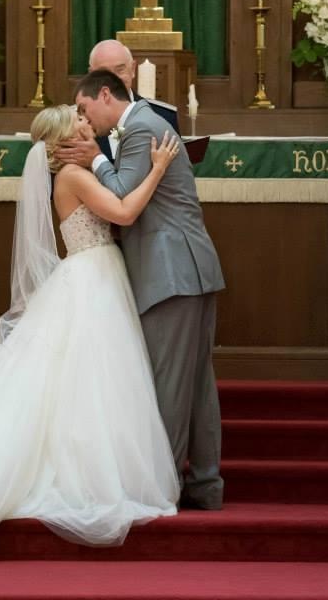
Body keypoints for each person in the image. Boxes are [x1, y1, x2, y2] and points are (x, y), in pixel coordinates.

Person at [0, 105, 181, 564]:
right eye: (78, 119)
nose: (86, 121)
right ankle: (88, 477)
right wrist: (158, 169)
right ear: (65, 139)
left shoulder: (76, 173)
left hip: (98, 274)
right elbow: (124, 213)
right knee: (91, 381)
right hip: (92, 279)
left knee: (94, 382)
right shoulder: (73, 176)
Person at [72, 70, 225, 510]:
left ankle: (163, 488)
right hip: (188, 269)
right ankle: (206, 485)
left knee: (170, 384)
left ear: (105, 94)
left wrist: (95, 160)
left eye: (84, 108)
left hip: (170, 272)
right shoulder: (146, 124)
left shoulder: (140, 127)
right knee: (197, 385)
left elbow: (123, 198)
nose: (85, 119)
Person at [89, 39, 179, 160]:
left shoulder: (163, 116)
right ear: (91, 75)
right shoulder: (78, 121)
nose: (113, 79)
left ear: (132, 69)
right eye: (104, 72)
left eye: (120, 70)